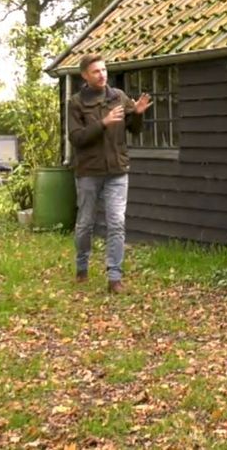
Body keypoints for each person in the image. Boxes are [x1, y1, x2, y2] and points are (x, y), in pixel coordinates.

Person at [67, 53, 150, 293]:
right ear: (85, 75)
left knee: (116, 223)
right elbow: (76, 138)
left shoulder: (119, 97)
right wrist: (103, 122)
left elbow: (133, 130)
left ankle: (115, 277)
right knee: (85, 224)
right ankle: (81, 267)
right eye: (96, 71)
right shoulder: (76, 102)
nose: (102, 75)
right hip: (88, 172)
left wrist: (138, 113)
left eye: (104, 70)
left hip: (117, 171)